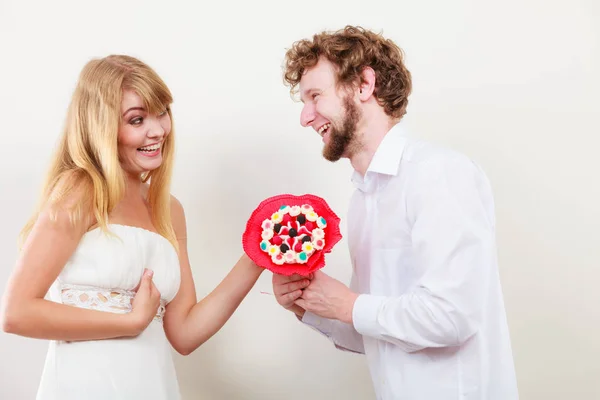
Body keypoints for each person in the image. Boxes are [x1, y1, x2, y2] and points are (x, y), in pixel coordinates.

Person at [0, 55, 271, 399]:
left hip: (151, 383)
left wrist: (258, 255)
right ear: (101, 126)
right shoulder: (80, 192)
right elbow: (17, 313)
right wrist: (129, 322)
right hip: (86, 385)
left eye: (162, 113)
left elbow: (185, 333)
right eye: (137, 119)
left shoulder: (169, 209)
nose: (157, 130)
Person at [272, 26, 519, 399]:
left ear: (363, 85)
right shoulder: (363, 199)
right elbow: (373, 327)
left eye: (315, 96)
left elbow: (453, 316)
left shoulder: (438, 174)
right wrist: (307, 305)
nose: (306, 117)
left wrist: (349, 304)